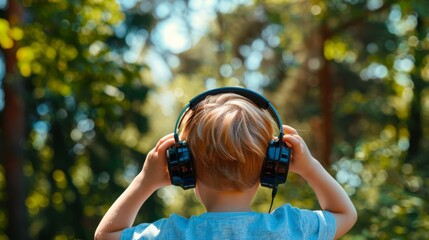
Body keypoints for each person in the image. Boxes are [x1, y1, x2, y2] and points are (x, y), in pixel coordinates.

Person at [95, 90, 357, 240]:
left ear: (185, 169)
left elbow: (106, 236)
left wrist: (145, 181)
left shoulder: (172, 234)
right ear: (271, 168)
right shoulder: (291, 228)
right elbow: (345, 214)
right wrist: (309, 167)